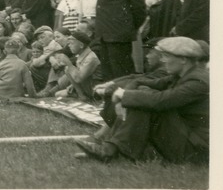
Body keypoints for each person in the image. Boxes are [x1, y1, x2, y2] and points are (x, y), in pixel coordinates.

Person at [75, 37, 208, 164]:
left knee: (146, 101)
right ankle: (108, 149)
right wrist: (124, 96)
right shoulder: (182, 75)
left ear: (183, 59)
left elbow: (161, 101)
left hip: (195, 150)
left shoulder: (197, 81)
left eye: (167, 56)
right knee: (142, 96)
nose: (163, 60)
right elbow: (142, 81)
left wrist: (125, 95)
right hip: (184, 137)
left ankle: (108, 150)